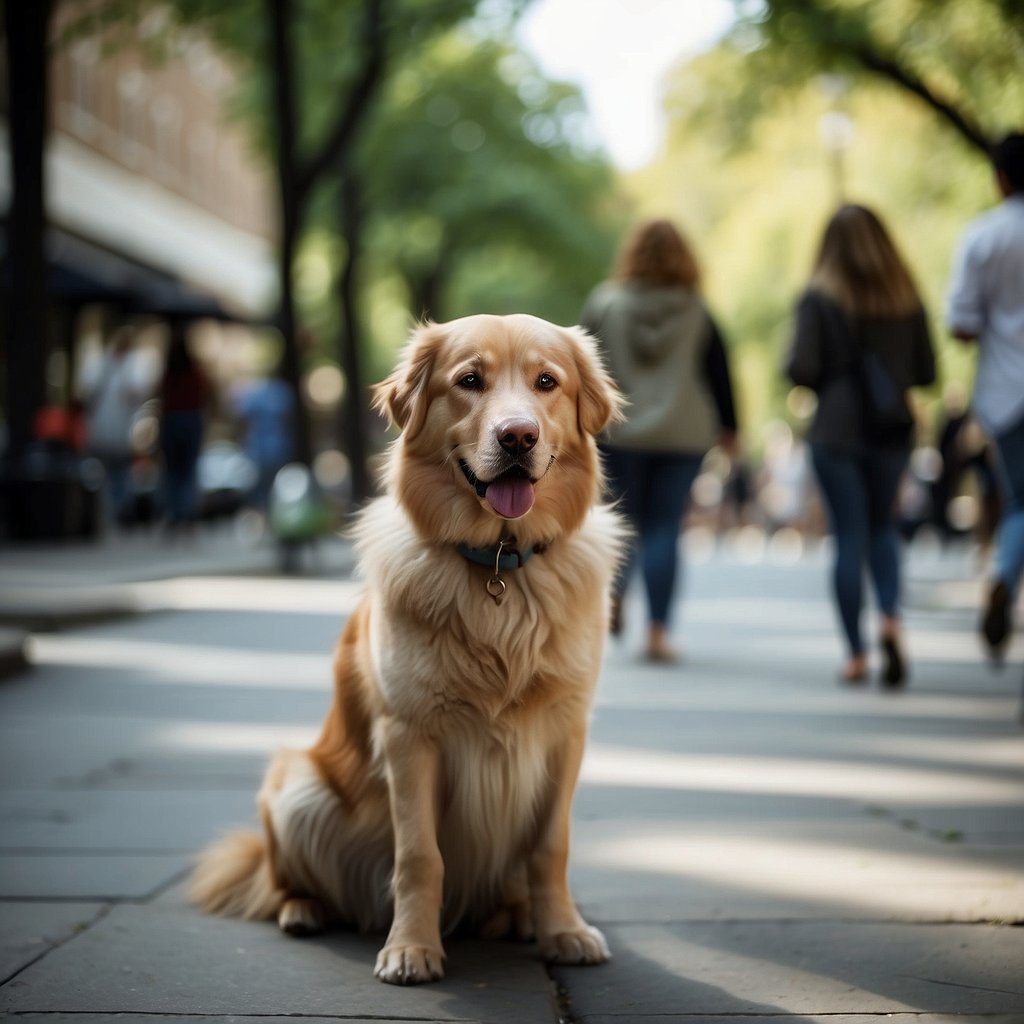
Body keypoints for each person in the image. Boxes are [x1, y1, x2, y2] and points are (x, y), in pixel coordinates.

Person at [785, 204, 936, 688]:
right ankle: (890, 619)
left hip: (836, 428)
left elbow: (801, 368)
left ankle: (855, 653)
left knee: (849, 536)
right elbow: (928, 371)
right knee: (882, 529)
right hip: (892, 429)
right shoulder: (905, 297)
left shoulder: (818, 298)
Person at [580, 218, 738, 663]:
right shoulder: (697, 310)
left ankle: (612, 600)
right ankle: (657, 631)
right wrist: (731, 430)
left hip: (618, 432)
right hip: (681, 435)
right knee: (664, 529)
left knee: (618, 525)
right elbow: (719, 373)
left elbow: (578, 367)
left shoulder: (605, 303)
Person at [946, 132, 1024, 660]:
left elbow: (962, 324)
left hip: (1009, 392)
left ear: (999, 177)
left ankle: (1001, 573)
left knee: (1020, 501)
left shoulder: (986, 236)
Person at [78, 325, 150, 527]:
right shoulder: (102, 364)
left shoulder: (133, 365)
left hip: (121, 430)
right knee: (104, 471)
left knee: (119, 471)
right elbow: (87, 393)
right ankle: (107, 513)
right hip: (102, 429)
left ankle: (117, 512)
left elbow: (137, 394)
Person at [158, 324, 211, 533]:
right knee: (188, 469)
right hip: (190, 420)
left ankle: (175, 513)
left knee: (173, 471)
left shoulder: (170, 374)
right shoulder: (195, 373)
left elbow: (161, 395)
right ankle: (186, 513)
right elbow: (205, 394)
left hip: (172, 420)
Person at [233, 370, 295, 513]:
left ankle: (262, 513)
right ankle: (273, 513)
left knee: (259, 485)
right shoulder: (283, 393)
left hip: (259, 448)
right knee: (275, 482)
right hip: (279, 445)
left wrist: (244, 442)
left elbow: (243, 419)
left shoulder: (253, 395)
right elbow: (288, 419)